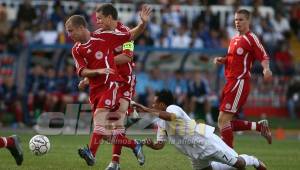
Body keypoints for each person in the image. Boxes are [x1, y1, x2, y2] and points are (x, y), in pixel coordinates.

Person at [65, 5, 151, 167]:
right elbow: (94, 61)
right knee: (104, 131)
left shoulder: (124, 33)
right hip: (105, 80)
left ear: (110, 18)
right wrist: (89, 76)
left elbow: (127, 57)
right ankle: (133, 145)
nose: (97, 22)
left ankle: (114, 162)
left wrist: (143, 25)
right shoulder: (97, 36)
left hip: (125, 80)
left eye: (99, 18)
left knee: (117, 121)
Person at [132, 90, 267, 170]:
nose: (152, 105)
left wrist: (146, 109)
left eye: (154, 103)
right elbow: (160, 145)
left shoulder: (172, 108)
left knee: (239, 164)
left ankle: (253, 160)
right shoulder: (160, 122)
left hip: (205, 141)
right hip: (193, 152)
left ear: (162, 104)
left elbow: (170, 117)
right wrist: (151, 145)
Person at [213, 9, 272, 148]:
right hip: (230, 82)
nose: (237, 22)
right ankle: (259, 127)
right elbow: (233, 58)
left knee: (223, 120)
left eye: (241, 19)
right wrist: (223, 60)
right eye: (236, 20)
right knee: (223, 122)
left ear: (248, 21)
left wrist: (266, 68)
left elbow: (263, 55)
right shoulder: (234, 39)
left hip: (240, 82)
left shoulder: (251, 38)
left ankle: (229, 157)